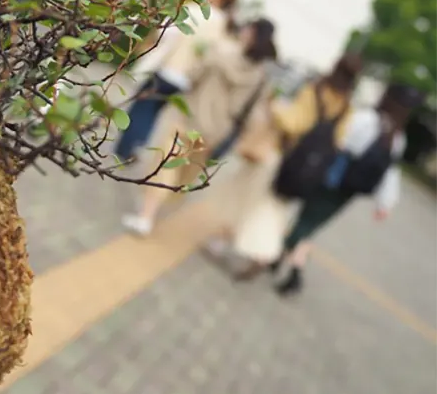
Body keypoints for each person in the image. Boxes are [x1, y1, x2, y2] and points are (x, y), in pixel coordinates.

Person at [203, 52, 363, 276]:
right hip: (305, 170)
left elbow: (294, 123)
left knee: (247, 198)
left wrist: (275, 107)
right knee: (272, 210)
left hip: (281, 156)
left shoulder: (315, 90)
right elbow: (338, 141)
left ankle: (228, 243)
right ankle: (260, 251)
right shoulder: (346, 107)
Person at [122, 17, 278, 237]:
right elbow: (251, 113)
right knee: (187, 173)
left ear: (251, 34)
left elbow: (193, 75)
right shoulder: (260, 78)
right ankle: (157, 207)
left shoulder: (219, 53)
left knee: (165, 163)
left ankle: (146, 215)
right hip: (215, 131)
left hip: (188, 117)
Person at [272, 81, 423, 296]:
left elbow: (339, 141)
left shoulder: (367, 119)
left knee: (304, 224)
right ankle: (281, 262)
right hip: (349, 191)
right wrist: (386, 203)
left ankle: (288, 267)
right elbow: (390, 173)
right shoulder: (398, 137)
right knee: (310, 225)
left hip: (329, 180)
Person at [112, 0, 241, 167]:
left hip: (166, 69)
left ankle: (125, 149)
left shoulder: (192, 11)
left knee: (142, 108)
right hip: (186, 79)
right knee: (154, 110)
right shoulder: (223, 27)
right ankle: (138, 145)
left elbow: (165, 34)